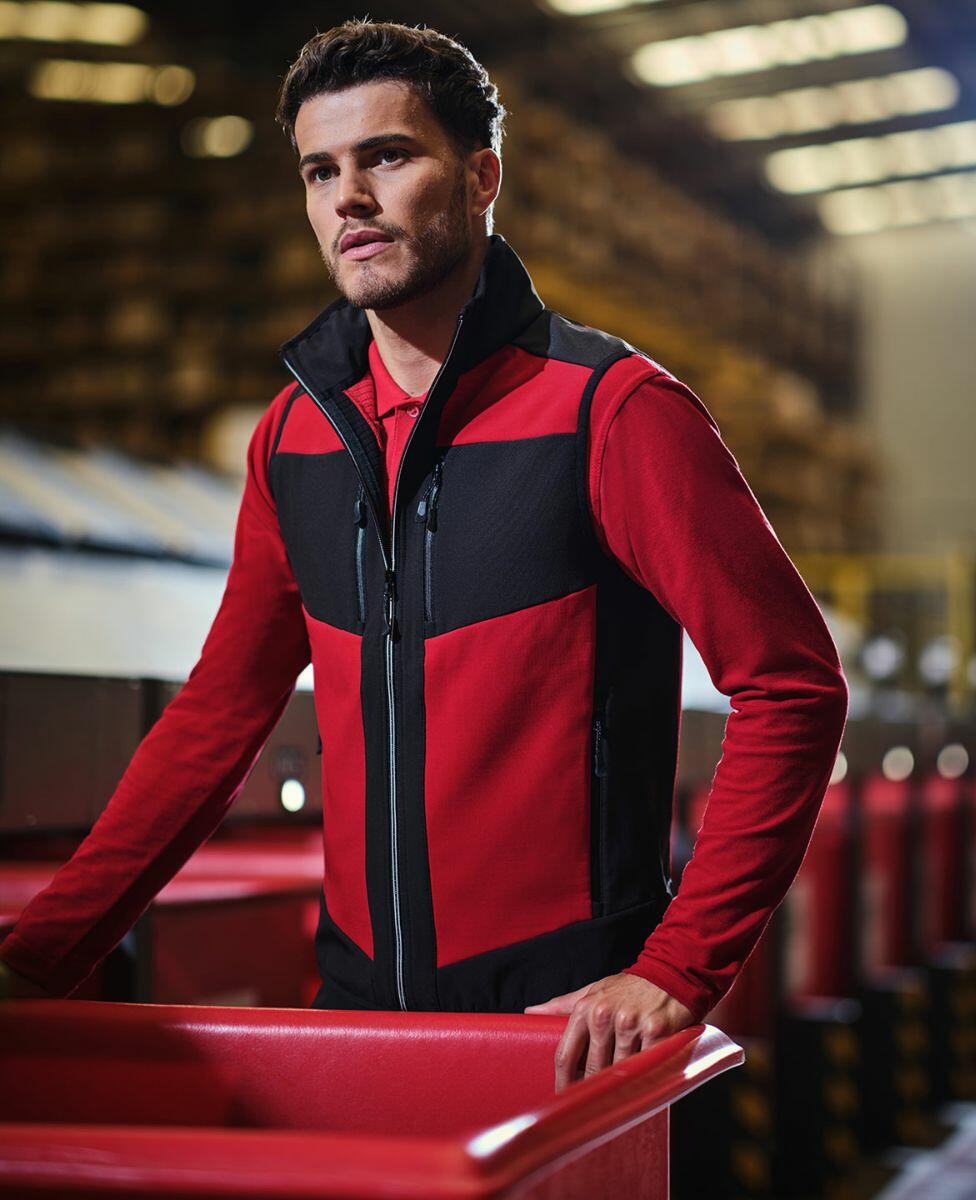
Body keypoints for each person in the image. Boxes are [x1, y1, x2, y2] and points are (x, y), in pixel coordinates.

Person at [0, 18, 849, 1092]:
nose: (348, 197)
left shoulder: (610, 413)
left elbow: (791, 685)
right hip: (359, 1015)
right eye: (320, 170)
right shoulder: (293, 437)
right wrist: (39, 957)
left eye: (387, 157)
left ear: (481, 175)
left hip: (565, 1028)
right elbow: (217, 716)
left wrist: (676, 970)